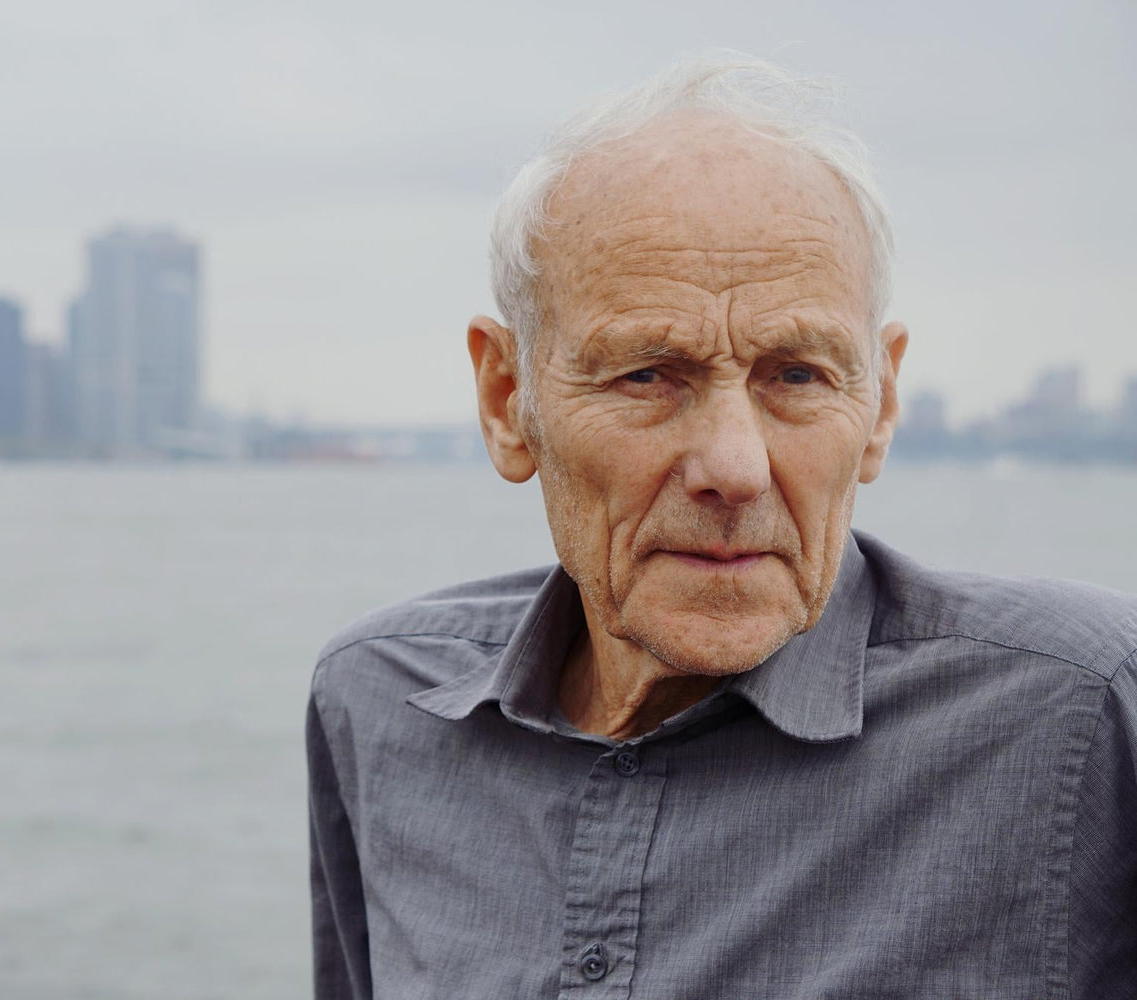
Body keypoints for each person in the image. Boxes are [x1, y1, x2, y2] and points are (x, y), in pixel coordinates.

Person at [305, 53, 1137, 999]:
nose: (735, 469)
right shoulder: (378, 700)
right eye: (647, 375)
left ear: (880, 403)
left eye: (797, 375)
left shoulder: (1085, 709)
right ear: (507, 401)